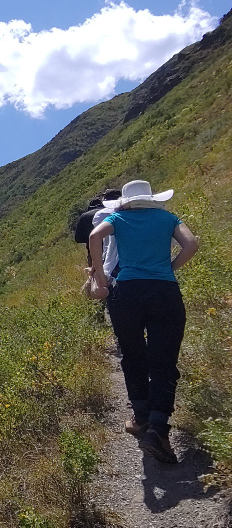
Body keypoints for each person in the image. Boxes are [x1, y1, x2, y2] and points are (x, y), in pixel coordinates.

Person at [88, 179, 199, 464]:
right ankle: (159, 429)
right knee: (164, 360)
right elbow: (191, 244)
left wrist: (100, 278)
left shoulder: (118, 217)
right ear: (152, 199)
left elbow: (94, 237)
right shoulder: (168, 218)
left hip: (126, 293)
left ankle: (141, 418)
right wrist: (169, 268)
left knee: (133, 355)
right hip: (164, 291)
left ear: (126, 201)